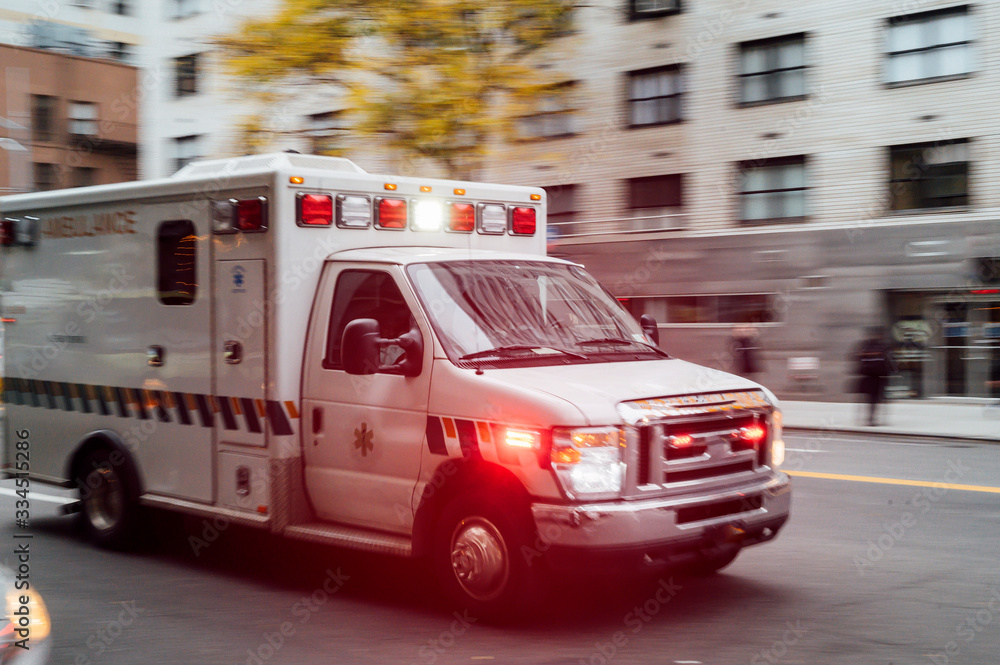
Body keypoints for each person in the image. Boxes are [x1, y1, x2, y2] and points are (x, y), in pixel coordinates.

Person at [854, 328, 892, 426]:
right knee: (876, 398)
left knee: (868, 398)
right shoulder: (883, 346)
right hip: (878, 377)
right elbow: (889, 361)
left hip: (866, 377)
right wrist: (890, 372)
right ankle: (872, 418)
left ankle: (868, 417)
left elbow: (855, 358)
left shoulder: (864, 346)